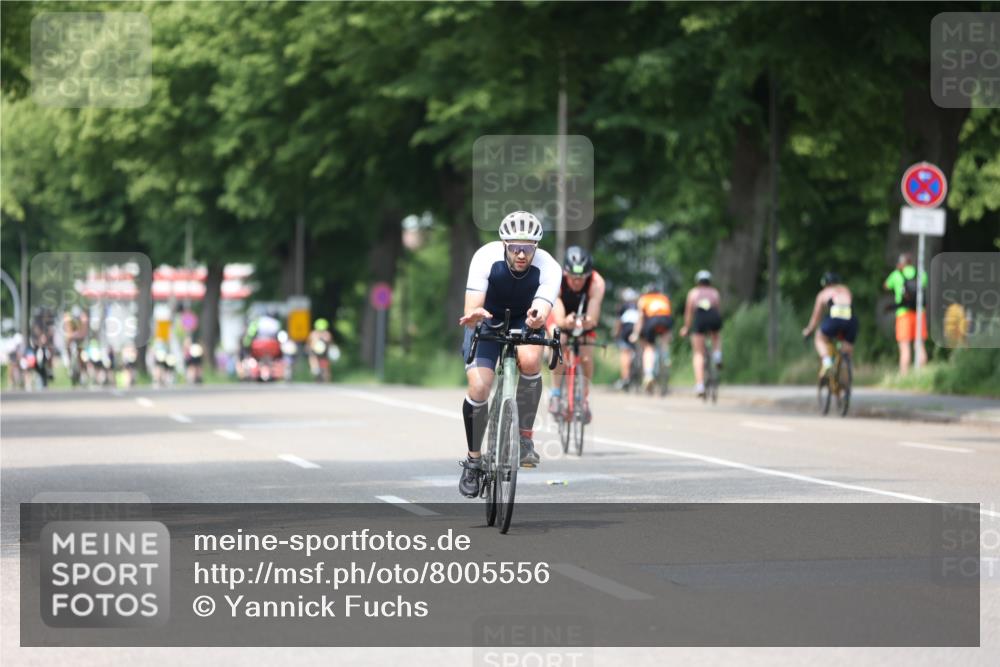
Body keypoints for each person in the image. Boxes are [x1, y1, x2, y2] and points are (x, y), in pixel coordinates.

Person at [457, 211, 560, 498]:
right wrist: (475, 314)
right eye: (515, 247)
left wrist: (538, 317)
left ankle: (525, 438)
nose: (521, 254)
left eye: (528, 248)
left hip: (524, 319)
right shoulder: (484, 257)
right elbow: (473, 306)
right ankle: (474, 460)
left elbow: (542, 305)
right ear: (504, 244)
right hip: (486, 317)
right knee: (479, 386)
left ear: (536, 247)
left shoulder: (549, 266)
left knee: (529, 360)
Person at [546, 246, 605, 423]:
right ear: (566, 273)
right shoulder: (557, 279)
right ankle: (556, 394)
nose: (577, 282)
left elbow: (593, 315)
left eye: (581, 278)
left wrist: (588, 321)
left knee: (586, 356)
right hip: (560, 312)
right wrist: (565, 322)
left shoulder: (597, 282)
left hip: (583, 314)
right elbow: (558, 316)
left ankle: (583, 398)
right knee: (560, 340)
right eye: (573, 278)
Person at [802, 272, 858, 373]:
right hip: (851, 321)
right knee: (847, 350)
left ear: (824, 284)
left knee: (819, 338)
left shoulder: (823, 293)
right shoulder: (845, 289)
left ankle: (827, 362)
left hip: (835, 319)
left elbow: (816, 316)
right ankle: (846, 371)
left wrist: (809, 330)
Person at [679, 270, 723, 398]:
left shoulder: (693, 293)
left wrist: (686, 327)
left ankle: (700, 385)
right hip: (713, 316)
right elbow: (718, 310)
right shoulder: (714, 292)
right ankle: (717, 354)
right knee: (716, 335)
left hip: (700, 317)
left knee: (698, 353)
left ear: (698, 282)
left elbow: (689, 313)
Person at [883, 252, 927, 375]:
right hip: (919, 313)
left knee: (904, 347)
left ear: (901, 263)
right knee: (919, 346)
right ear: (911, 262)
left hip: (903, 314)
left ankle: (904, 377)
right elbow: (924, 284)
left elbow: (886, 286)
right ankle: (922, 375)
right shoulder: (920, 273)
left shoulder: (897, 274)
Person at [629, 283, 673, 392]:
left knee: (649, 347)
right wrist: (669, 334)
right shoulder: (664, 298)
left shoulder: (644, 299)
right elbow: (668, 315)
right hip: (665, 322)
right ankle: (666, 357)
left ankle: (648, 374)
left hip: (652, 321)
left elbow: (640, 318)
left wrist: (636, 333)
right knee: (664, 342)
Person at [612, 288, 640, 390]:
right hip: (638, 328)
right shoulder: (638, 306)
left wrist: (615, 333)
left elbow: (618, 322)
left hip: (626, 329)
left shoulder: (622, 307)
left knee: (625, 353)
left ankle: (625, 378)